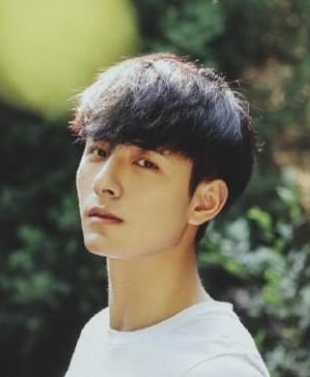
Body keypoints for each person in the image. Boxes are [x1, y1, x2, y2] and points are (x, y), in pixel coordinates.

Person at [64, 53, 270, 377]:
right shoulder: (97, 334)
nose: (104, 182)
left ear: (204, 202)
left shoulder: (216, 367)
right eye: (99, 151)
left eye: (146, 163)